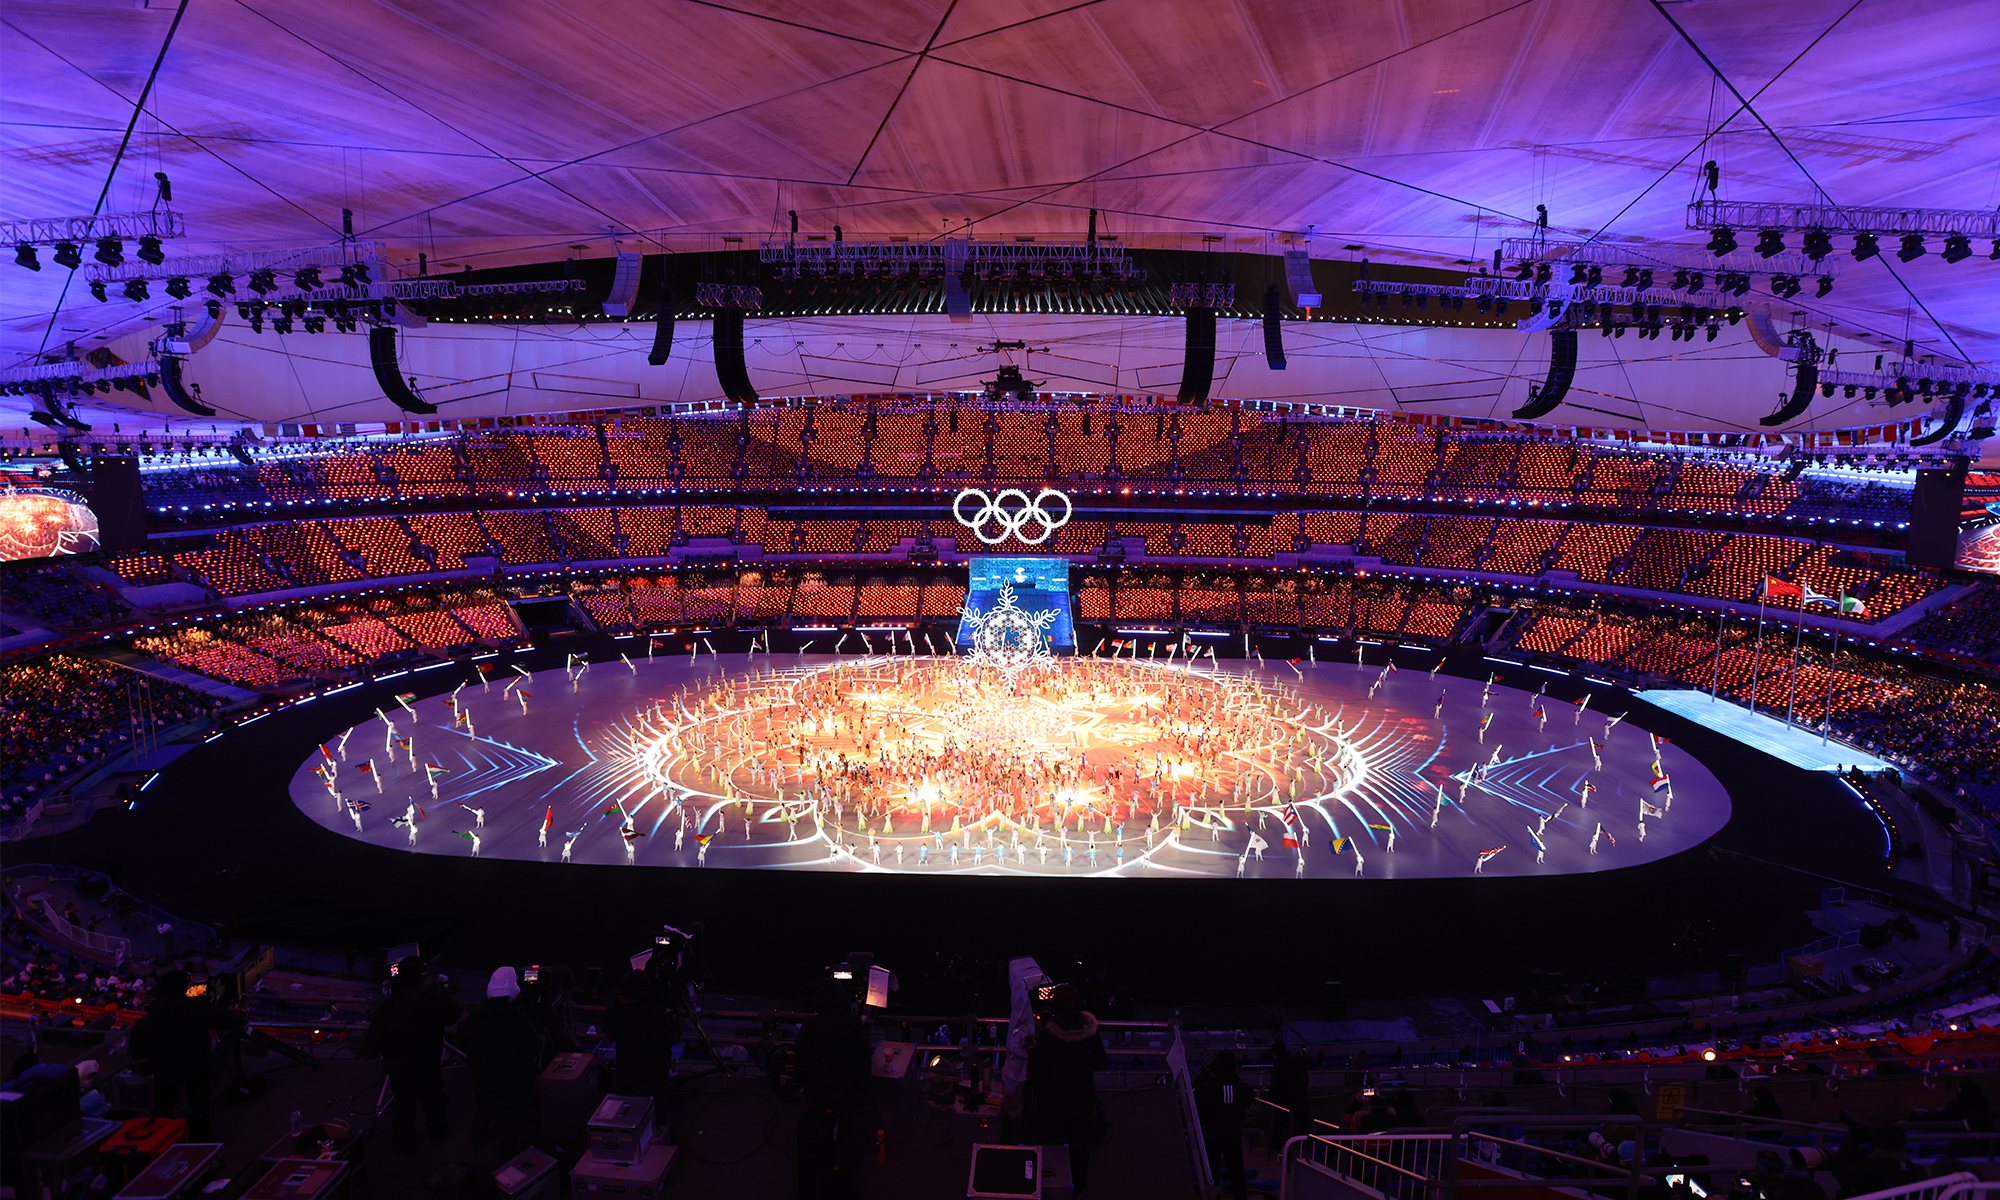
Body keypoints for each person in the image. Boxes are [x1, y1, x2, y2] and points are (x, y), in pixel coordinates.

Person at [365, 955, 463, 1153]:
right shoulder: (438, 994)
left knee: (403, 1106)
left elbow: (372, 1042)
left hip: (399, 1066)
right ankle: (438, 1135)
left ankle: (405, 1145)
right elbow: (455, 1014)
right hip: (429, 1060)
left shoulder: (389, 1006)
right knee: (434, 1099)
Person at [1029, 983, 1108, 1198]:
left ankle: (1053, 1184)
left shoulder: (1049, 1036)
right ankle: (1078, 1185)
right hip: (1082, 1101)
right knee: (1079, 1143)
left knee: (1053, 1144)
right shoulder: (1090, 1031)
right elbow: (1101, 1061)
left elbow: (1037, 1075)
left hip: (1053, 1104)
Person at [795, 978, 871, 1199]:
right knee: (848, 1134)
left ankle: (822, 1167)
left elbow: (801, 1061)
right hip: (846, 1092)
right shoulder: (853, 1023)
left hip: (819, 1092)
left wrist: (803, 1086)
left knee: (823, 1132)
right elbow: (863, 1060)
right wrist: (862, 1089)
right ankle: (844, 1174)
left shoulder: (810, 1026)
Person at [456, 966, 544, 1155]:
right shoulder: (518, 1020)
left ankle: (478, 1138)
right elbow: (533, 1047)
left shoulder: (474, 1018)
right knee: (512, 1114)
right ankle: (507, 1154)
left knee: (484, 1106)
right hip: (513, 1079)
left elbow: (461, 1041)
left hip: (482, 1076)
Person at [127, 969, 222, 1140]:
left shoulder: (148, 1020)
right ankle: (200, 1141)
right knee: (199, 1105)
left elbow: (135, 1051)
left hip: (165, 1070)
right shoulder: (198, 1008)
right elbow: (224, 1022)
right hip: (198, 1066)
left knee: (163, 1107)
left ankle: (160, 1140)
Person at [600, 971, 680, 1107]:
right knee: (657, 1108)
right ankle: (661, 1126)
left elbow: (608, 1033)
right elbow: (668, 1039)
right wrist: (678, 1024)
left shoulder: (614, 1009)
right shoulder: (655, 1010)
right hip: (653, 1072)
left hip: (625, 1069)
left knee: (629, 1108)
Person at [1194, 1050, 1254, 1200]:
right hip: (1233, 1136)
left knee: (1212, 1172)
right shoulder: (1242, 1088)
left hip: (1211, 1135)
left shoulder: (1206, 1089)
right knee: (1237, 1172)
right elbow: (1249, 1098)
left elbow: (1194, 1093)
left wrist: (1205, 1073)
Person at [1268, 1032, 1312, 1144]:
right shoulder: (1297, 1063)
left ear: (1274, 1053)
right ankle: (1309, 1149)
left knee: (1278, 1126)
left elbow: (1275, 1088)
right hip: (1301, 1101)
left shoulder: (1278, 1068)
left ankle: (1275, 1149)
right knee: (1304, 1126)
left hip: (1283, 1102)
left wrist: (1271, 1101)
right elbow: (1306, 1080)